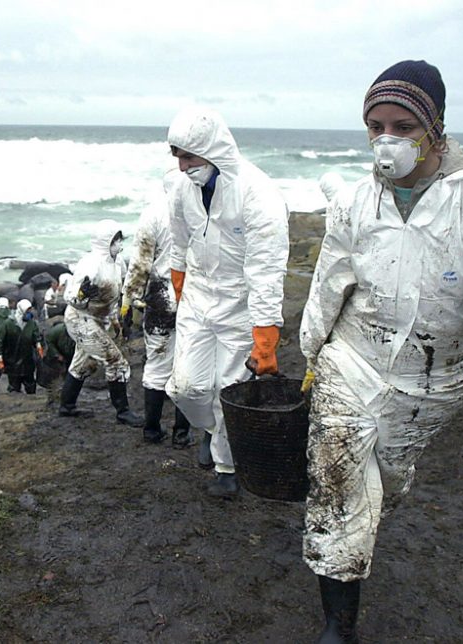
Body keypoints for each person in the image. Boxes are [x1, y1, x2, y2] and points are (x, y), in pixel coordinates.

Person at [299, 60, 463, 642]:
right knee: (336, 487)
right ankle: (338, 627)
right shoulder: (355, 204)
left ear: (435, 129)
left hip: (431, 382)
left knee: (381, 486)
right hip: (353, 360)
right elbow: (328, 284)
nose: (386, 140)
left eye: (402, 125)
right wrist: (314, 355)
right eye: (375, 126)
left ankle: (357, 536)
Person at [165, 106, 290, 498]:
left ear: (212, 149)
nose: (184, 166)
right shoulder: (182, 189)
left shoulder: (257, 192)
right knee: (186, 387)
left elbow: (267, 266)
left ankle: (226, 466)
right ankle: (211, 428)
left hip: (240, 303)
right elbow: (179, 239)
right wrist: (178, 278)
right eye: (178, 158)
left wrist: (266, 332)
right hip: (199, 299)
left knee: (230, 387)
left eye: (189, 157)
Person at [123, 171, 191, 446]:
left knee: (157, 364)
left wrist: (128, 299)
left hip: (161, 295)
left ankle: (152, 429)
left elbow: (140, 263)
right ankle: (182, 433)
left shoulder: (152, 214)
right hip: (193, 295)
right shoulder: (200, 209)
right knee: (188, 365)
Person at [60, 219, 144, 427]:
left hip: (100, 319)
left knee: (83, 364)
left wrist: (128, 308)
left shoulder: (118, 263)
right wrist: (82, 294)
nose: (120, 244)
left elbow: (122, 290)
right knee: (116, 362)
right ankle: (122, 411)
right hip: (80, 320)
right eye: (116, 240)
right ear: (105, 241)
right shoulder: (90, 265)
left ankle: (67, 406)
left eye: (120, 239)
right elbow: (71, 298)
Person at [8, 299, 44, 394]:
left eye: (30, 310)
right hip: (13, 359)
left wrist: (39, 347)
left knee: (30, 384)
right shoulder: (10, 323)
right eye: (27, 311)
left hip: (28, 359)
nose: (29, 313)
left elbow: (36, 337)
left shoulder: (32, 324)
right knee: (14, 386)